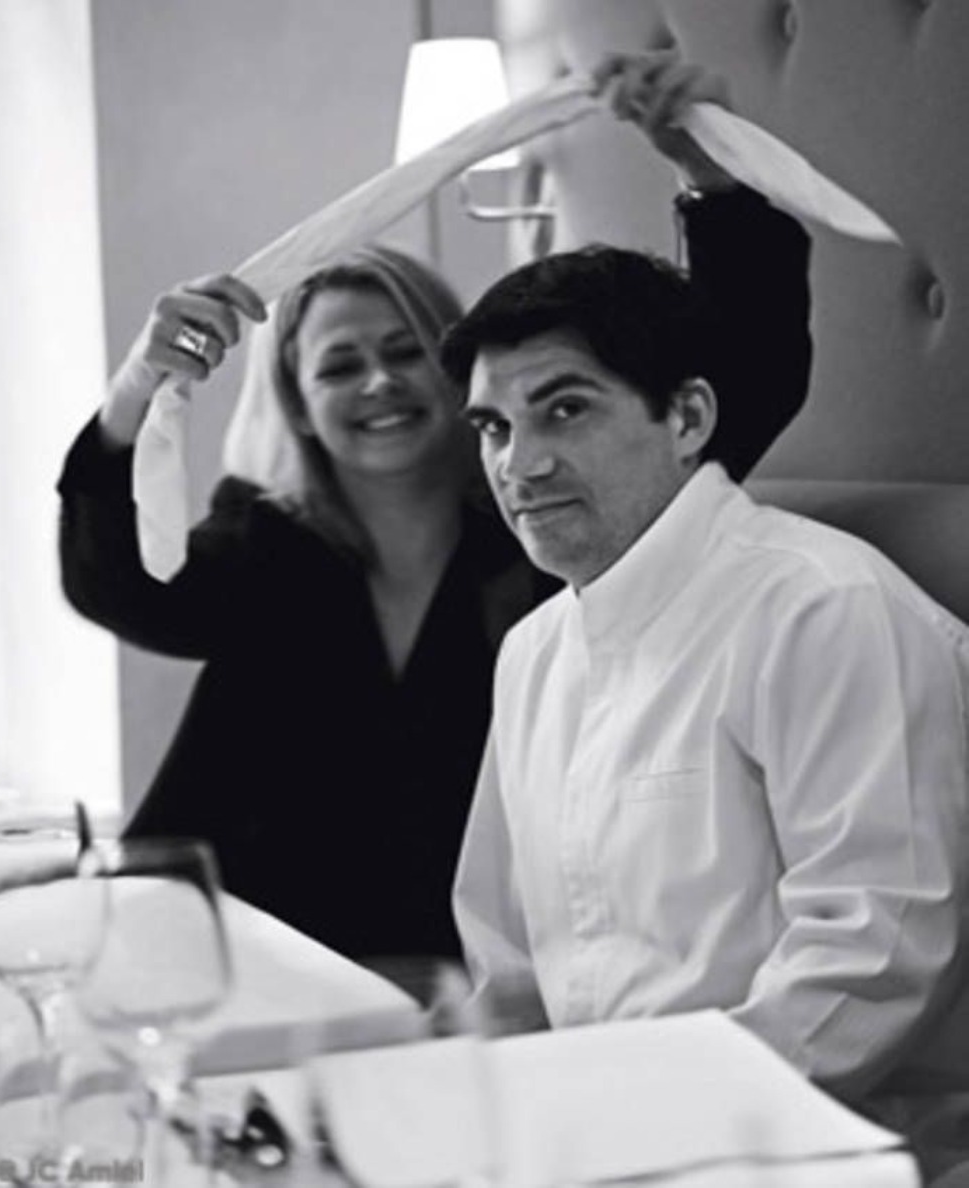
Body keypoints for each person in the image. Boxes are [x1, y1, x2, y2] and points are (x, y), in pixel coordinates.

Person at [57, 53, 812, 961]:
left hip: (472, 966)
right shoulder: (265, 545)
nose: (378, 383)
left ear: (459, 375)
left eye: (405, 350)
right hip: (248, 954)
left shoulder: (551, 528)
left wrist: (712, 183)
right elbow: (118, 587)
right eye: (340, 365)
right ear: (298, 401)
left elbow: (743, 384)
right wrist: (139, 387)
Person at [442, 126, 969, 1147]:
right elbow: (505, 960)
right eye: (494, 428)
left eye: (563, 410)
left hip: (809, 1147)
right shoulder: (534, 651)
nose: (519, 466)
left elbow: (869, 962)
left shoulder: (820, 609)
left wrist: (641, 1131)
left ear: (686, 418)